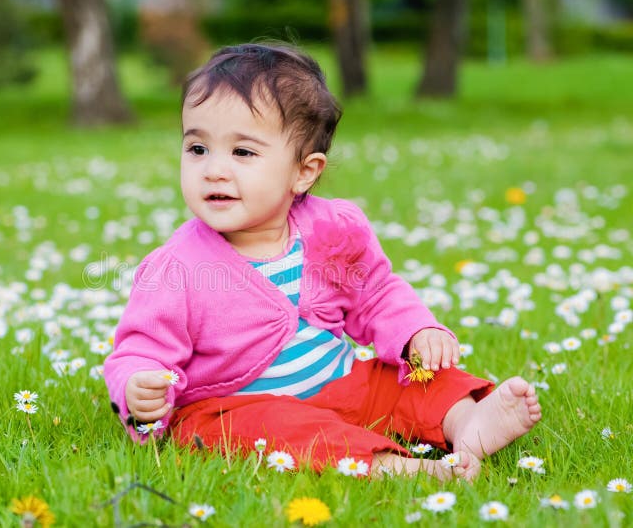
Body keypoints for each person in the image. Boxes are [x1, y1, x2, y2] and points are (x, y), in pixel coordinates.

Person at [103, 43, 541, 481]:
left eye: (243, 153)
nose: (214, 169)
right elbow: (140, 347)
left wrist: (415, 330)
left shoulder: (331, 228)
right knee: (272, 431)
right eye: (197, 149)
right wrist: (138, 385)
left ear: (304, 172)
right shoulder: (178, 266)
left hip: (341, 381)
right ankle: (394, 467)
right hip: (239, 406)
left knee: (412, 379)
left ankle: (468, 423)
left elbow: (376, 293)